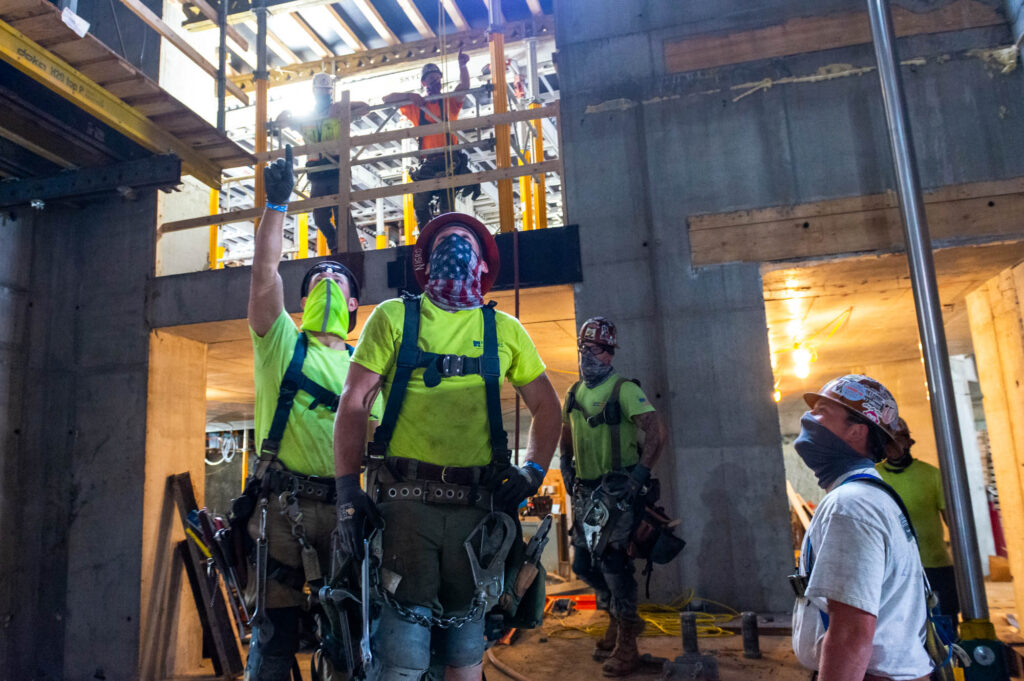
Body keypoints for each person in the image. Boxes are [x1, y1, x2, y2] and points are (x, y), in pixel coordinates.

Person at [333, 212, 562, 681]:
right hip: (403, 507)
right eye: (444, 242)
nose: (455, 248)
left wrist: (532, 472)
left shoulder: (507, 331)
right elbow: (354, 402)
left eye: (466, 244)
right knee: (400, 654)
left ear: (482, 267)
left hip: (477, 517)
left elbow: (548, 407)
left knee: (463, 653)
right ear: (425, 261)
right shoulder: (394, 317)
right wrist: (345, 486)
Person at [244, 144, 378, 680]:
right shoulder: (279, 343)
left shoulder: (366, 365)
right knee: (275, 640)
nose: (326, 277)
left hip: (345, 513)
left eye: (337, 277)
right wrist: (276, 207)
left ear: (353, 306)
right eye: (315, 277)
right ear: (298, 305)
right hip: (282, 508)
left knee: (347, 639)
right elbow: (263, 272)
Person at [791, 375, 932, 681]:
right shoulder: (871, 494)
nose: (807, 419)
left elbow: (851, 634)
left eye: (822, 412)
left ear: (856, 431)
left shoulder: (851, 505)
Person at [559, 317, 668, 677]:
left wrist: (639, 476)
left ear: (609, 354)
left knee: (615, 566)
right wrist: (565, 464)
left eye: (595, 350)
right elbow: (566, 431)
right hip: (587, 495)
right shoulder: (574, 393)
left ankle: (627, 639)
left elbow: (656, 432)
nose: (587, 356)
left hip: (617, 494)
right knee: (584, 566)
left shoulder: (623, 390)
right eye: (583, 349)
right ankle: (614, 619)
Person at [876, 418, 960, 626]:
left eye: (899, 439)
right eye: (889, 440)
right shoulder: (874, 476)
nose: (894, 445)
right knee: (903, 626)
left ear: (908, 441)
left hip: (934, 564)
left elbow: (952, 522)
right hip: (894, 568)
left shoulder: (931, 475)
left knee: (944, 623)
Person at [275, 72, 370, 253]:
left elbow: (366, 108)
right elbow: (280, 122)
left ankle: (348, 250)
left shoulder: (339, 112)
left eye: (326, 92)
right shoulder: (307, 118)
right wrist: (288, 112)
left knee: (341, 213)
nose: (323, 95)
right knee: (320, 218)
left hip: (337, 170)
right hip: (317, 174)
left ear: (330, 92)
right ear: (314, 93)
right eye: (320, 92)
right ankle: (336, 246)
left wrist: (344, 105)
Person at [383, 53, 478, 229]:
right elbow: (386, 99)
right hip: (428, 164)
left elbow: (464, 86)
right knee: (419, 204)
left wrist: (462, 66)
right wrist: (409, 95)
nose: (435, 81)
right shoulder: (417, 106)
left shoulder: (449, 102)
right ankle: (427, 234)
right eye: (431, 79)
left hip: (450, 161)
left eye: (437, 78)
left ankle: (445, 234)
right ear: (423, 83)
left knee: (447, 207)